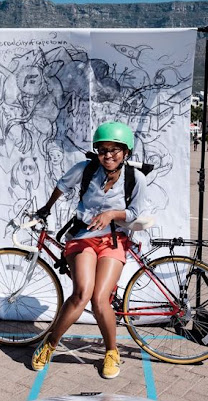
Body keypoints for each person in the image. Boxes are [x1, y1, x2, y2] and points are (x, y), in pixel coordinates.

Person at [31, 122, 147, 379]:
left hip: (113, 241)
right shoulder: (86, 169)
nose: (107, 155)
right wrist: (46, 208)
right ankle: (49, 344)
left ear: (126, 152)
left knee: (100, 299)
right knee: (82, 293)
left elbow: (136, 213)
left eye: (114, 150)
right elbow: (62, 185)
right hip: (83, 237)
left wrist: (111, 214)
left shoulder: (135, 178)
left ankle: (111, 352)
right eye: (103, 150)